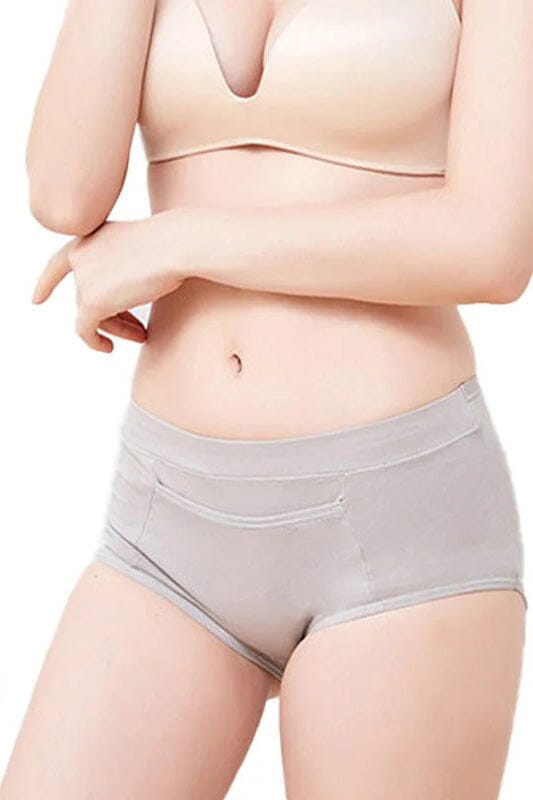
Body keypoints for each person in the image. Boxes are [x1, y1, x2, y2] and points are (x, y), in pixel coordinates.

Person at [1, 0, 531, 797]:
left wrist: (183, 240)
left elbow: (489, 247)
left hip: (390, 519)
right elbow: (65, 195)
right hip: (168, 521)